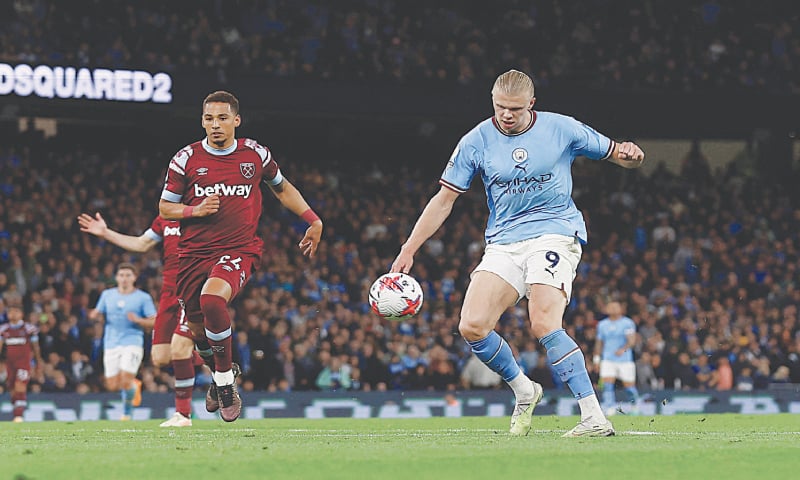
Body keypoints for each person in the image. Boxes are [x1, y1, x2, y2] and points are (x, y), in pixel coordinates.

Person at [391, 69, 644, 437]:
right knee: (472, 326)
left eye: (514, 108)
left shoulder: (562, 128)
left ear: (531, 104)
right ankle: (525, 390)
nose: (506, 115)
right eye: (499, 107)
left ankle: (593, 416)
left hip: (554, 233)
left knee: (543, 322)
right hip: (504, 241)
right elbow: (443, 200)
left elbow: (614, 152)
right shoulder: (476, 140)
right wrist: (409, 248)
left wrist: (629, 155)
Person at [158, 90, 323, 422]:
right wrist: (195, 209)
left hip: (238, 249)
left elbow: (282, 187)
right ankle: (223, 370)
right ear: (202, 121)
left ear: (236, 120)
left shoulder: (255, 155)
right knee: (197, 328)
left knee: (213, 300)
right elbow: (165, 207)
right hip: (192, 254)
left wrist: (313, 220)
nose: (215, 125)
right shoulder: (185, 159)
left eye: (222, 118)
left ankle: (222, 382)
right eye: (208, 119)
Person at [78, 212, 225, 427]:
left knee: (179, 348)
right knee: (161, 358)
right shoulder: (165, 217)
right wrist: (105, 233)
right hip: (168, 293)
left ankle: (183, 415)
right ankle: (220, 364)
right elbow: (141, 243)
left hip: (193, 287)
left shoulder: (205, 214)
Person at [89, 262, 156, 421]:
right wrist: (94, 316)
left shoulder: (143, 298)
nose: (124, 279)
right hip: (111, 343)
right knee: (112, 385)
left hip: (133, 342)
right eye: (121, 275)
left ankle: (126, 413)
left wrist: (139, 320)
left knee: (125, 378)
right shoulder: (107, 295)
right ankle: (134, 386)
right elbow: (97, 312)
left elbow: (154, 321)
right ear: (116, 278)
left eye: (128, 275)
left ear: (134, 278)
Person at [593, 301, 639, 415]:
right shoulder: (602, 325)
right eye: (610, 306)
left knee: (629, 387)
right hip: (608, 359)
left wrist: (623, 349)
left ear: (620, 309)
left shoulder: (627, 323)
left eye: (615, 306)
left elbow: (632, 341)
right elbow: (599, 343)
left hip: (625, 360)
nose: (612, 308)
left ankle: (635, 405)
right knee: (607, 385)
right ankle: (610, 408)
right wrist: (597, 359)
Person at [0, 302, 43, 422]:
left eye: (15, 311)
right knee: (12, 388)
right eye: (10, 312)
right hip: (10, 363)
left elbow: (36, 348)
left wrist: (38, 363)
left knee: (20, 385)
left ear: (21, 314)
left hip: (23, 363)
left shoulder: (29, 329)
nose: (12, 314)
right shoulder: (3, 329)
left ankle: (19, 415)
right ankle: (16, 413)